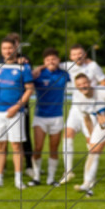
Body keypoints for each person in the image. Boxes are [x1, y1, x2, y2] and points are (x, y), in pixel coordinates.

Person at [0, 36, 34, 190]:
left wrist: (17, 106)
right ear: (1, 50)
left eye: (10, 48)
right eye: (4, 48)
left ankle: (18, 180)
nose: (7, 51)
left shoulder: (23, 67)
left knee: (16, 146)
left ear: (16, 49)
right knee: (0, 145)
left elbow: (29, 89)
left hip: (16, 112)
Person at [59, 44, 105, 184]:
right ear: (70, 56)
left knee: (91, 142)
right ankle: (68, 172)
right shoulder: (68, 65)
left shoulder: (93, 66)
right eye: (74, 54)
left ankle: (90, 176)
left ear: (85, 54)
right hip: (76, 108)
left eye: (80, 54)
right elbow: (52, 63)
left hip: (91, 108)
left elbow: (104, 82)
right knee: (67, 135)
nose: (77, 56)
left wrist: (98, 99)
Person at [27, 47, 71, 186]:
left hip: (57, 117)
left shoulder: (64, 74)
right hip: (40, 116)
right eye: (48, 59)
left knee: (54, 149)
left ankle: (51, 179)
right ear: (44, 61)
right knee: (38, 147)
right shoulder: (38, 74)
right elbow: (27, 80)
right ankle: (36, 177)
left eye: (54, 59)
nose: (51, 61)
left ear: (58, 60)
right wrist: (39, 69)